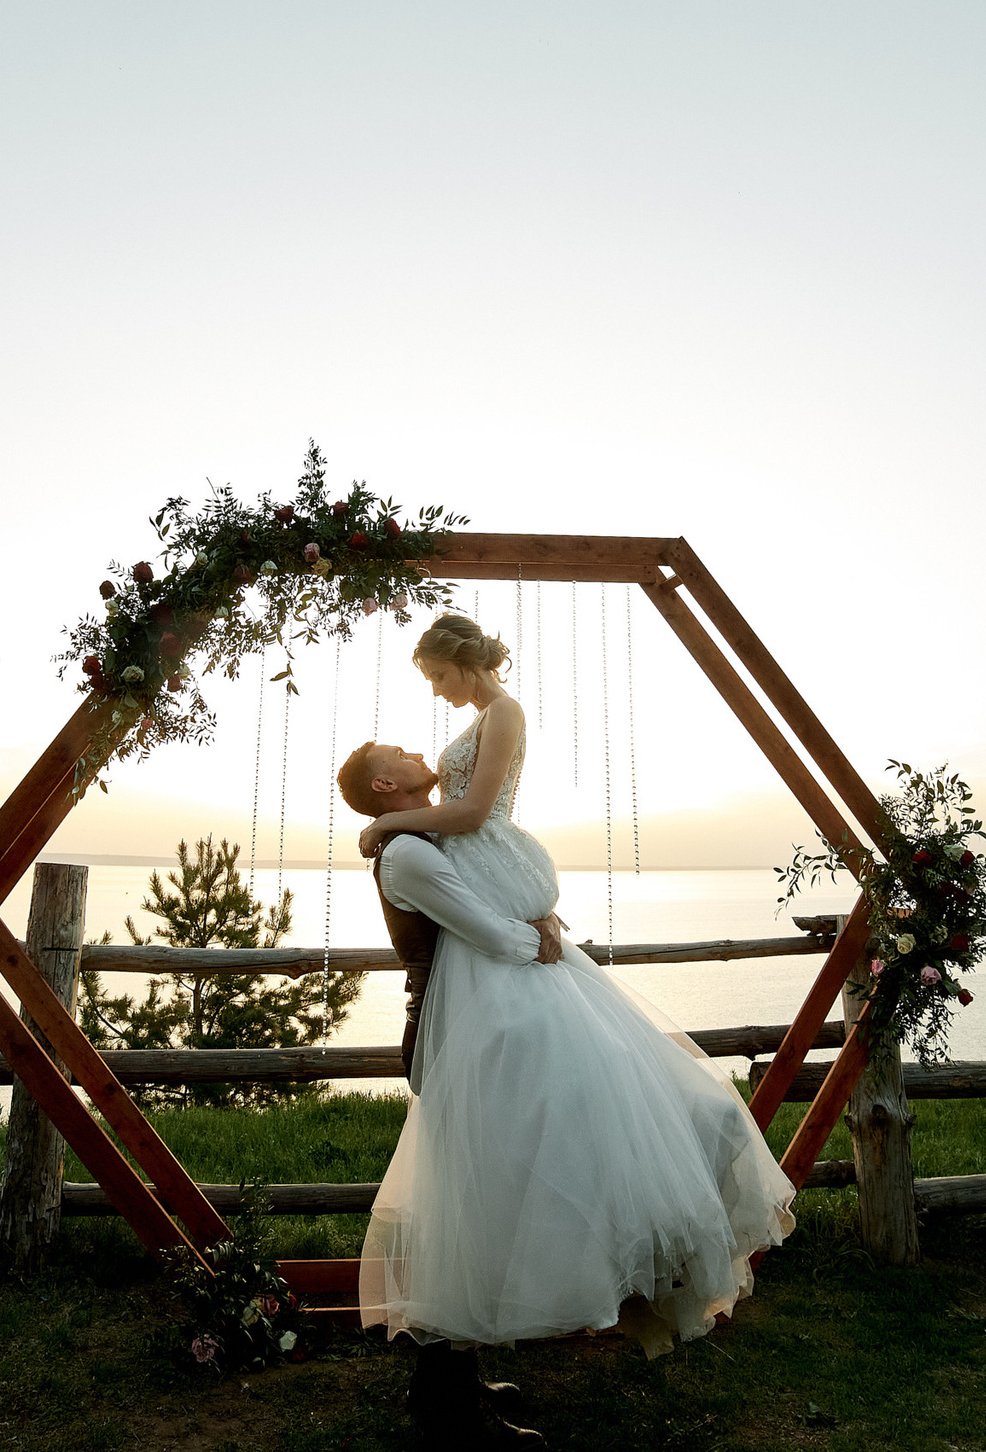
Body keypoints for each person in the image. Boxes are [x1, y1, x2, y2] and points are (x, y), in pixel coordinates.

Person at [336, 613, 798, 1443]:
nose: (430, 703)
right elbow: (474, 872)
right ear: (383, 786)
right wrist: (533, 933)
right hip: (488, 993)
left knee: (502, 1179)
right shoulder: (409, 847)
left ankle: (463, 1377)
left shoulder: (488, 732)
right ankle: (451, 1392)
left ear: (457, 660)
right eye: (397, 760)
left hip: (502, 981)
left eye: (435, 676)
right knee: (482, 1188)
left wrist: (524, 913)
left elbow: (475, 815)